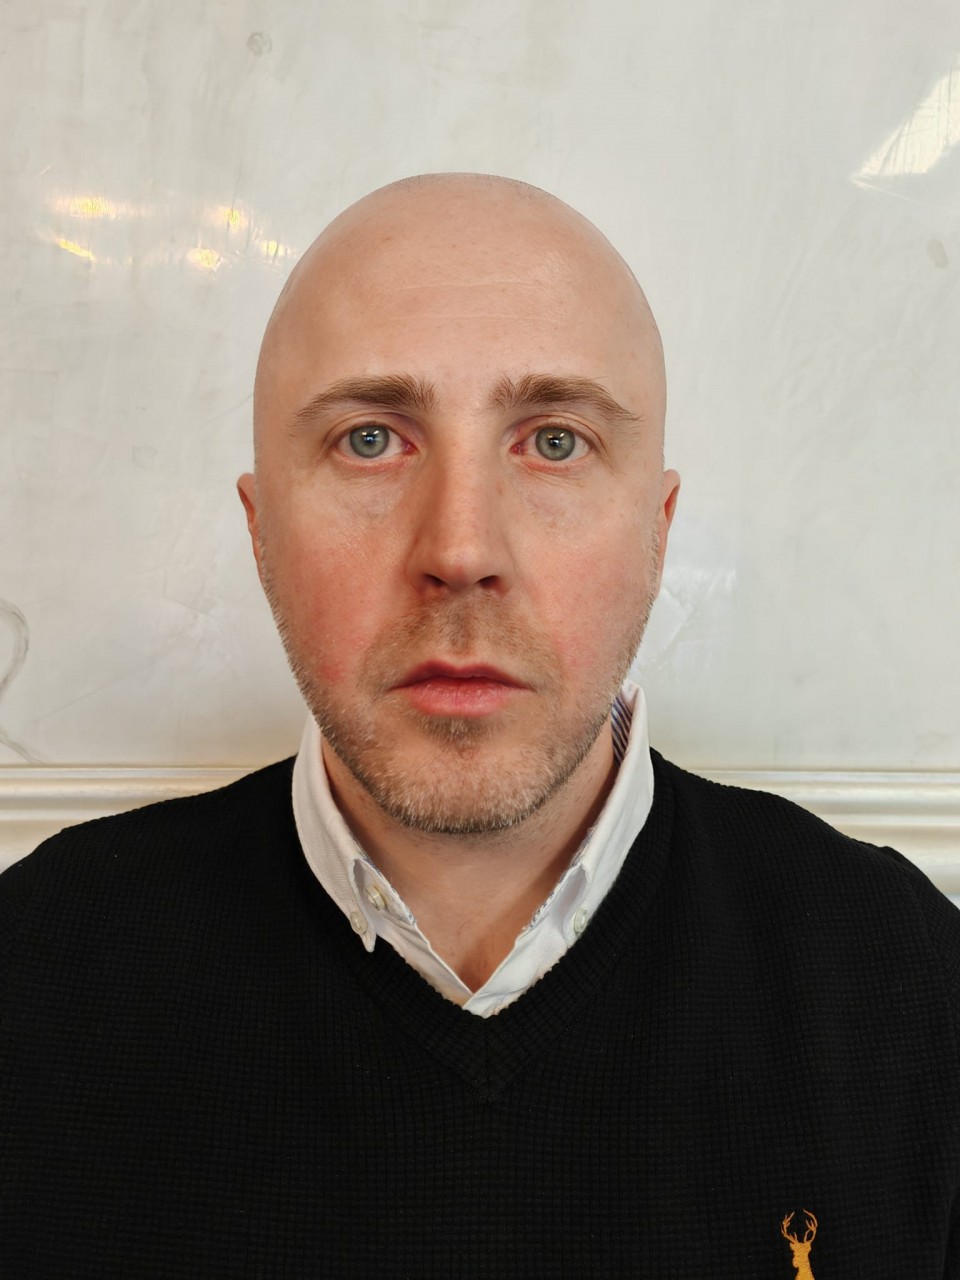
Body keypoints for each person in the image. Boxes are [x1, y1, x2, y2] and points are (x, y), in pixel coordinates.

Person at [1, 174, 958, 1278]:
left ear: (658, 530)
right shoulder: (33, 979)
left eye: (554, 441)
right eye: (371, 439)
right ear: (261, 532)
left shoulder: (912, 990)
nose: (460, 550)